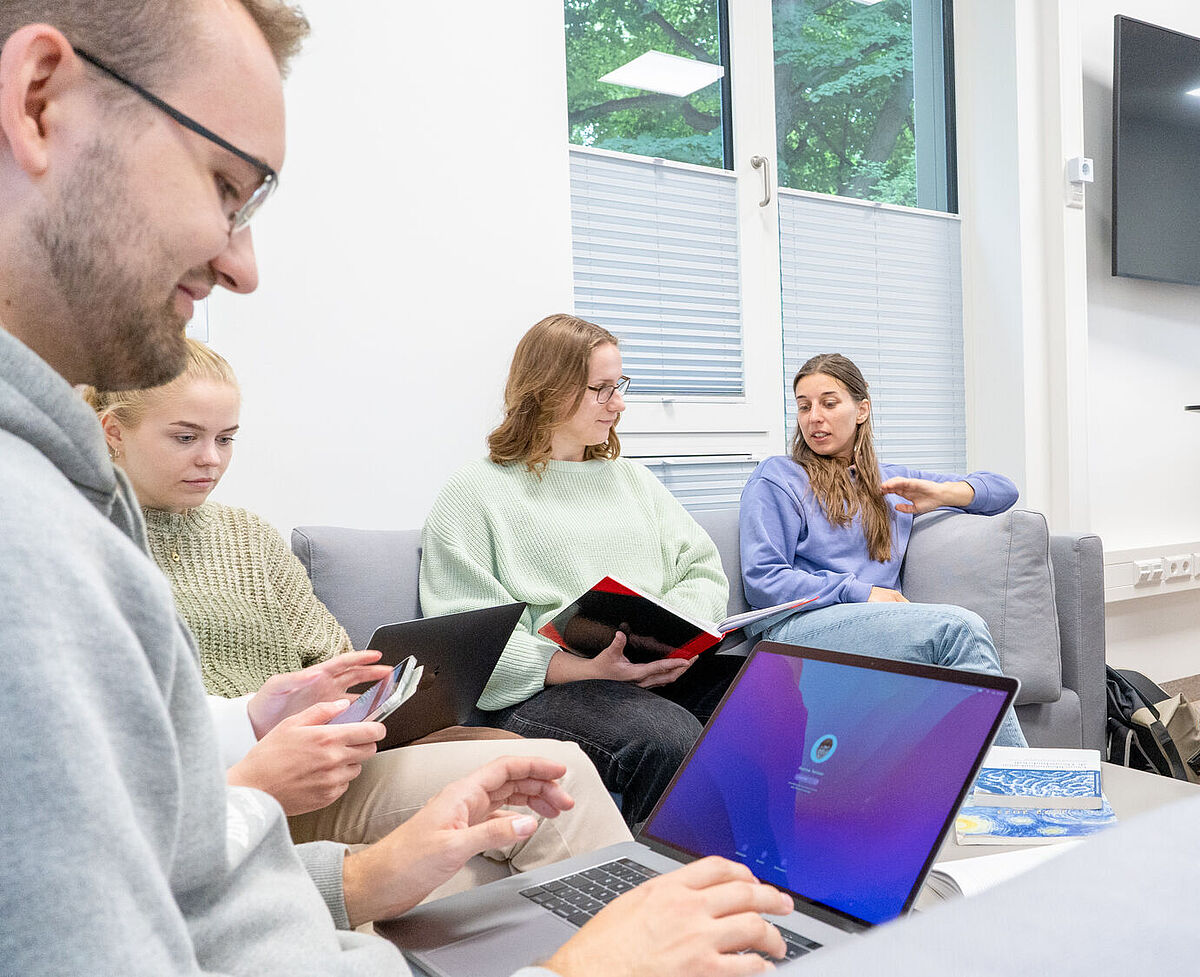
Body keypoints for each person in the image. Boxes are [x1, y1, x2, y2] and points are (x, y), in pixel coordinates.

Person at [0, 4, 793, 975]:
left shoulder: (71, 500)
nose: (243, 266)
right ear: (38, 101)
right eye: (223, 185)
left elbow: (188, 877)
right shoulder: (34, 542)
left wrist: (354, 867)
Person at [85, 337, 632, 895]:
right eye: (186, 437)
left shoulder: (247, 534)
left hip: (333, 759)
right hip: (234, 787)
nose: (212, 458)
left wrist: (370, 697)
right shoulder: (83, 546)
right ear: (113, 432)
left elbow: (334, 655)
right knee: (545, 782)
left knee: (548, 775)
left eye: (226, 439)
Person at [419, 314, 745, 827]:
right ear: (547, 390)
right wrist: (588, 669)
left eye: (620, 386)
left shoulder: (633, 481)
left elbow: (701, 568)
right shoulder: (475, 493)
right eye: (601, 389)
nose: (619, 404)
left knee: (772, 699)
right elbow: (467, 641)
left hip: (649, 669)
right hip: (550, 690)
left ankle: (786, 864)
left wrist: (669, 638)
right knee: (666, 739)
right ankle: (668, 875)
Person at [739, 352, 1027, 748]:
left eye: (828, 403)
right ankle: (1026, 780)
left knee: (951, 675)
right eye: (804, 406)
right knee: (958, 630)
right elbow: (763, 580)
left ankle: (976, 782)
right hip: (796, 628)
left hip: (875, 626)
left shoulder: (891, 482)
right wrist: (861, 592)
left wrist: (944, 493)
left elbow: (1004, 490)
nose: (814, 417)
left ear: (862, 410)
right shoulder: (779, 476)